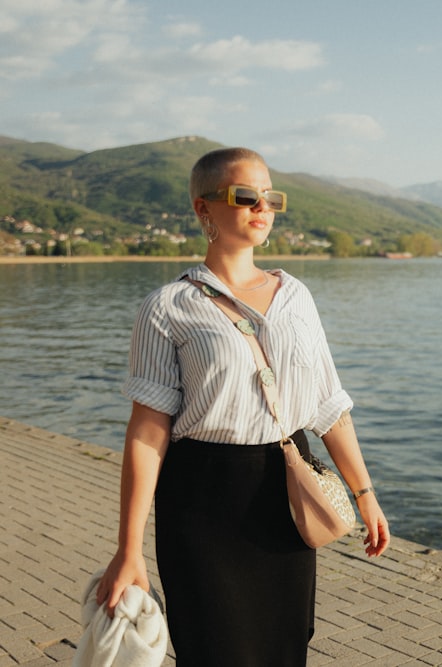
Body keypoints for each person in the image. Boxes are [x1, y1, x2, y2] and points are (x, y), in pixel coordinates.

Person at [95, 147, 391, 666]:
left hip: (287, 491)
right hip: (203, 502)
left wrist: (365, 494)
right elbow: (147, 432)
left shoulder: (297, 297)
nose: (263, 207)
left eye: (271, 198)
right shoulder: (168, 306)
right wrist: (129, 549)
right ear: (202, 208)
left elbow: (328, 405)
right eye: (245, 196)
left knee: (284, 646)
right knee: (215, 649)